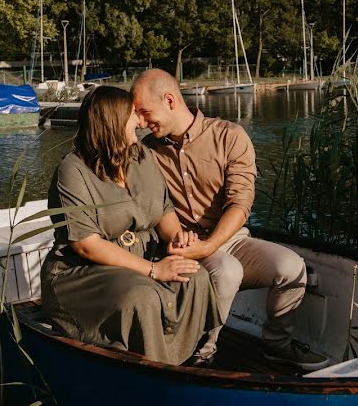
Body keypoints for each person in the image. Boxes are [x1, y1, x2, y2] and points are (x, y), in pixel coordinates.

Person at [131, 69, 329, 371]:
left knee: (292, 267)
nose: (142, 123)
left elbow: (241, 203)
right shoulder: (147, 152)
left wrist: (210, 244)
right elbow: (156, 208)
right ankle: (200, 354)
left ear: (169, 100)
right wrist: (188, 244)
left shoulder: (229, 136)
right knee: (226, 271)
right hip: (182, 245)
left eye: (145, 112)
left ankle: (276, 345)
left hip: (230, 239)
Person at [40, 86, 221, 365]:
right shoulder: (71, 171)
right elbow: (86, 245)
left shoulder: (141, 157)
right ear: (112, 121)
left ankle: (186, 359)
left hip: (142, 260)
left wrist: (177, 239)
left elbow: (163, 211)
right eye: (133, 115)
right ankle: (153, 369)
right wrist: (154, 270)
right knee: (141, 295)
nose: (140, 121)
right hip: (84, 272)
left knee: (195, 277)